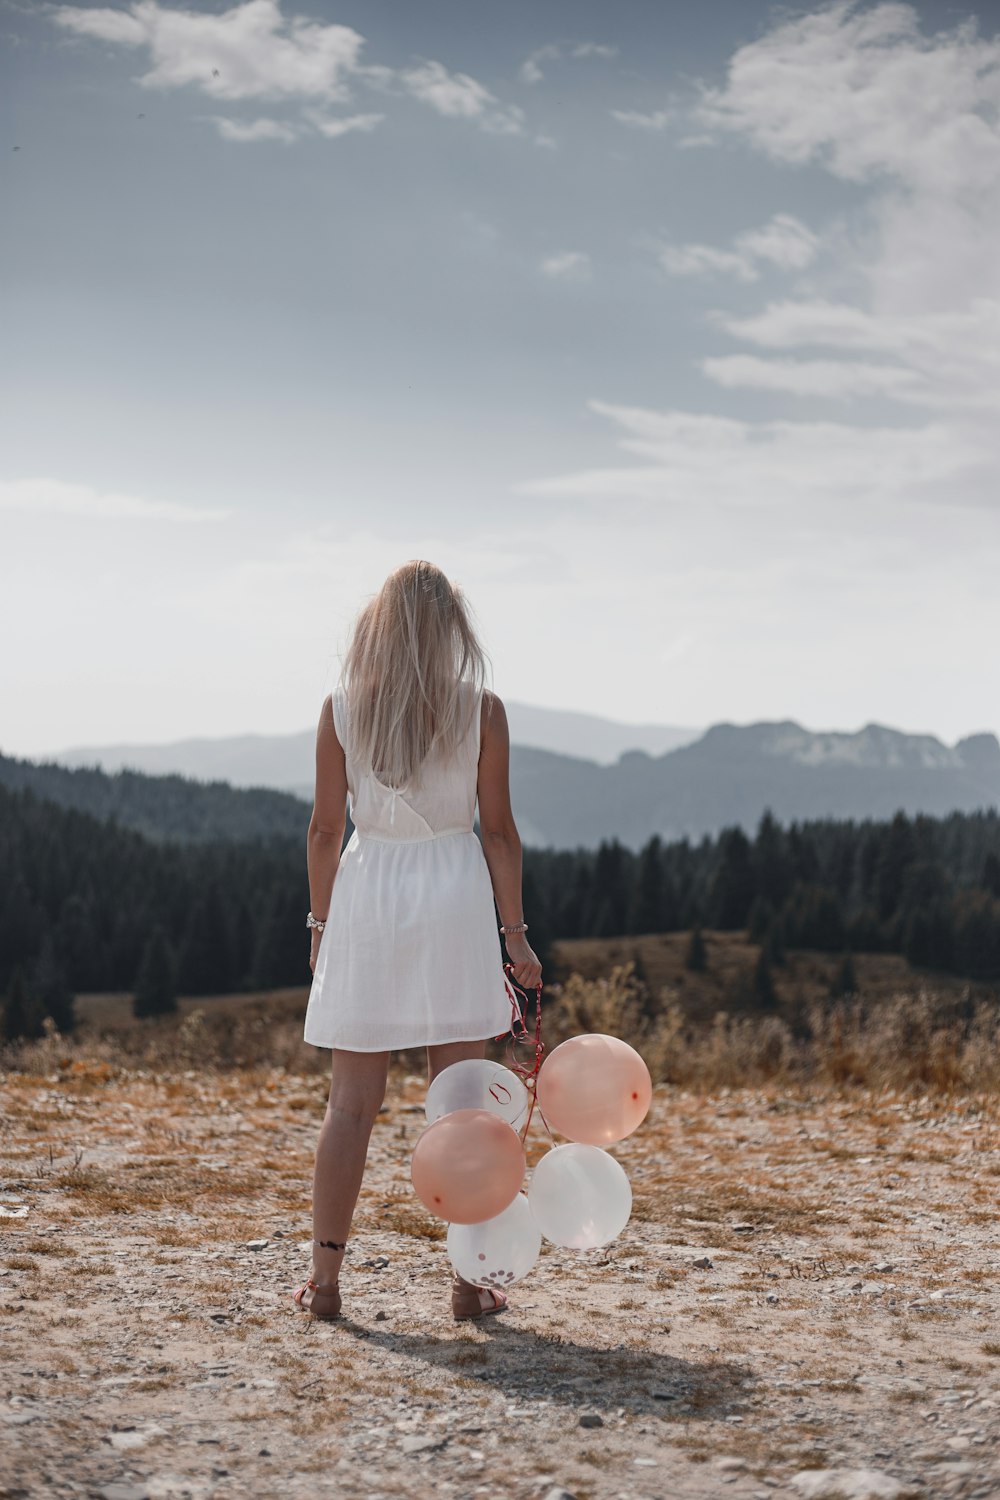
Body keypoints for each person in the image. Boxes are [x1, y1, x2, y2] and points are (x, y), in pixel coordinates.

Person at [293, 560, 543, 1324]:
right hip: (455, 900)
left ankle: (326, 1286)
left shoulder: (341, 709)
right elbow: (498, 834)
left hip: (368, 900)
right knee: (464, 1108)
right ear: (450, 632)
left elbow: (326, 830)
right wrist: (518, 938)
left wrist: (322, 927)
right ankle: (469, 1285)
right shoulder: (484, 711)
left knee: (350, 1106)